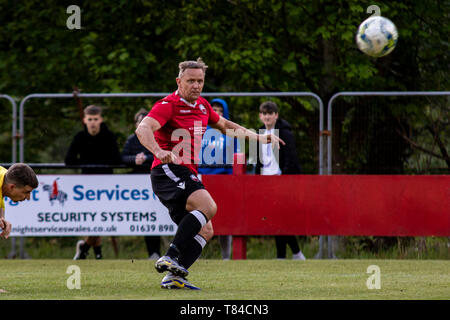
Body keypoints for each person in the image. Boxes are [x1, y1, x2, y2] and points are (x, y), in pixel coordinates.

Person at [136, 58, 283, 290]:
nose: (196, 85)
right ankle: (171, 255)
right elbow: (142, 128)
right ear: (179, 81)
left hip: (185, 171)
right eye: (191, 80)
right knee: (209, 206)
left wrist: (259, 137)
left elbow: (226, 126)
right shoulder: (169, 104)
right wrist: (158, 150)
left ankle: (174, 278)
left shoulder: (203, 106)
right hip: (168, 170)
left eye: (200, 81)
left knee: (206, 229)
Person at [65, 104, 122, 260]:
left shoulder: (109, 136)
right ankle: (96, 252)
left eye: (95, 119)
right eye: (90, 119)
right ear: (84, 120)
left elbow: (117, 159)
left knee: (100, 218)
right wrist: (86, 163)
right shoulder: (79, 137)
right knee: (93, 220)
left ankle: (85, 247)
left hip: (107, 186)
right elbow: (69, 160)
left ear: (101, 119)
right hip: (86, 187)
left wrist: (102, 162)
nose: (93, 122)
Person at [255, 101, 306, 260]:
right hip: (266, 182)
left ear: (276, 115)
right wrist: (258, 179)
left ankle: (285, 255)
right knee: (274, 218)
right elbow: (259, 159)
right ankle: (295, 253)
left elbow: (291, 158)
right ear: (260, 116)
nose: (267, 116)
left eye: (270, 113)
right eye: (264, 113)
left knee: (280, 217)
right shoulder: (260, 133)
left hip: (282, 181)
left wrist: (284, 179)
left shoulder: (285, 133)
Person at [198, 98, 240, 260]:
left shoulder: (230, 132)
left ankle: (225, 256)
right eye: (214, 110)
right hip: (204, 179)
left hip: (224, 180)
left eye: (220, 111)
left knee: (225, 219)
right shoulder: (201, 128)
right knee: (200, 217)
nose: (217, 113)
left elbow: (237, 156)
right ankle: (195, 254)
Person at [122, 108, 161, 260]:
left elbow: (164, 153)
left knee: (157, 217)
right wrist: (134, 160)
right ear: (136, 124)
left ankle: (162, 252)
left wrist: (146, 158)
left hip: (155, 181)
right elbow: (123, 157)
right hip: (136, 187)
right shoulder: (131, 140)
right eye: (140, 122)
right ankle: (152, 253)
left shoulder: (157, 138)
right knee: (145, 218)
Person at [0, 163, 39, 239]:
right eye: (26, 192)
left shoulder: (6, 177)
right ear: (12, 187)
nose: (28, 198)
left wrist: (2, 218)